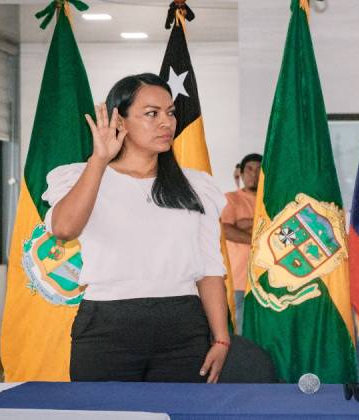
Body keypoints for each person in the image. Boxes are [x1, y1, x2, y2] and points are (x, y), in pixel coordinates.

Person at [43, 73, 230, 383]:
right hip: (107, 325)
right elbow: (64, 229)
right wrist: (99, 160)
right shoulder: (82, 176)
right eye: (151, 114)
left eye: (170, 113)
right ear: (121, 121)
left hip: (182, 326)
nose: (166, 123)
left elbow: (210, 268)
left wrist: (221, 338)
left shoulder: (196, 185)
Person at [221, 153, 262, 334]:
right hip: (239, 278)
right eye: (250, 169)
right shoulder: (231, 198)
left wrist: (245, 224)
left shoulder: (271, 202)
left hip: (265, 279)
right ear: (242, 172)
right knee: (239, 330)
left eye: (259, 170)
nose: (254, 174)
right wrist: (260, 240)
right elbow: (226, 230)